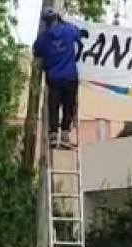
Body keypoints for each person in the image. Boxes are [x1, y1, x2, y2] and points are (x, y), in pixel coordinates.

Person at [33, 6, 81, 150]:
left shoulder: (43, 38)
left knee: (53, 106)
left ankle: (53, 135)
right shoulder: (68, 30)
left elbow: (36, 51)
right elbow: (78, 34)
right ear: (56, 18)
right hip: (70, 76)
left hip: (53, 77)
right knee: (69, 106)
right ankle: (65, 134)